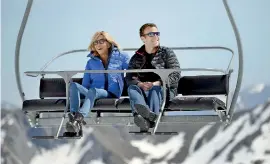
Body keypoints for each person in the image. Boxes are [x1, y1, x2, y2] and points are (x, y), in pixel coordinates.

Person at [66, 31, 130, 134]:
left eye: (101, 41)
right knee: (74, 86)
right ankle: (73, 118)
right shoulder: (91, 62)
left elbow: (133, 71)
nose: (98, 45)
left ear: (108, 43)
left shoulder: (121, 57)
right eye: (95, 42)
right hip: (93, 92)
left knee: (94, 91)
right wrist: (83, 95)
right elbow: (85, 84)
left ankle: (79, 118)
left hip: (110, 93)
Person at [125, 23, 181, 132]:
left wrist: (156, 83)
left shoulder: (166, 53)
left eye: (157, 33)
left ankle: (147, 119)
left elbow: (175, 74)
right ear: (143, 38)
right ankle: (142, 115)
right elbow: (129, 77)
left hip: (164, 88)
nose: (156, 36)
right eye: (151, 34)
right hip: (143, 88)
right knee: (132, 88)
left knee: (154, 89)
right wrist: (140, 84)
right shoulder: (137, 57)